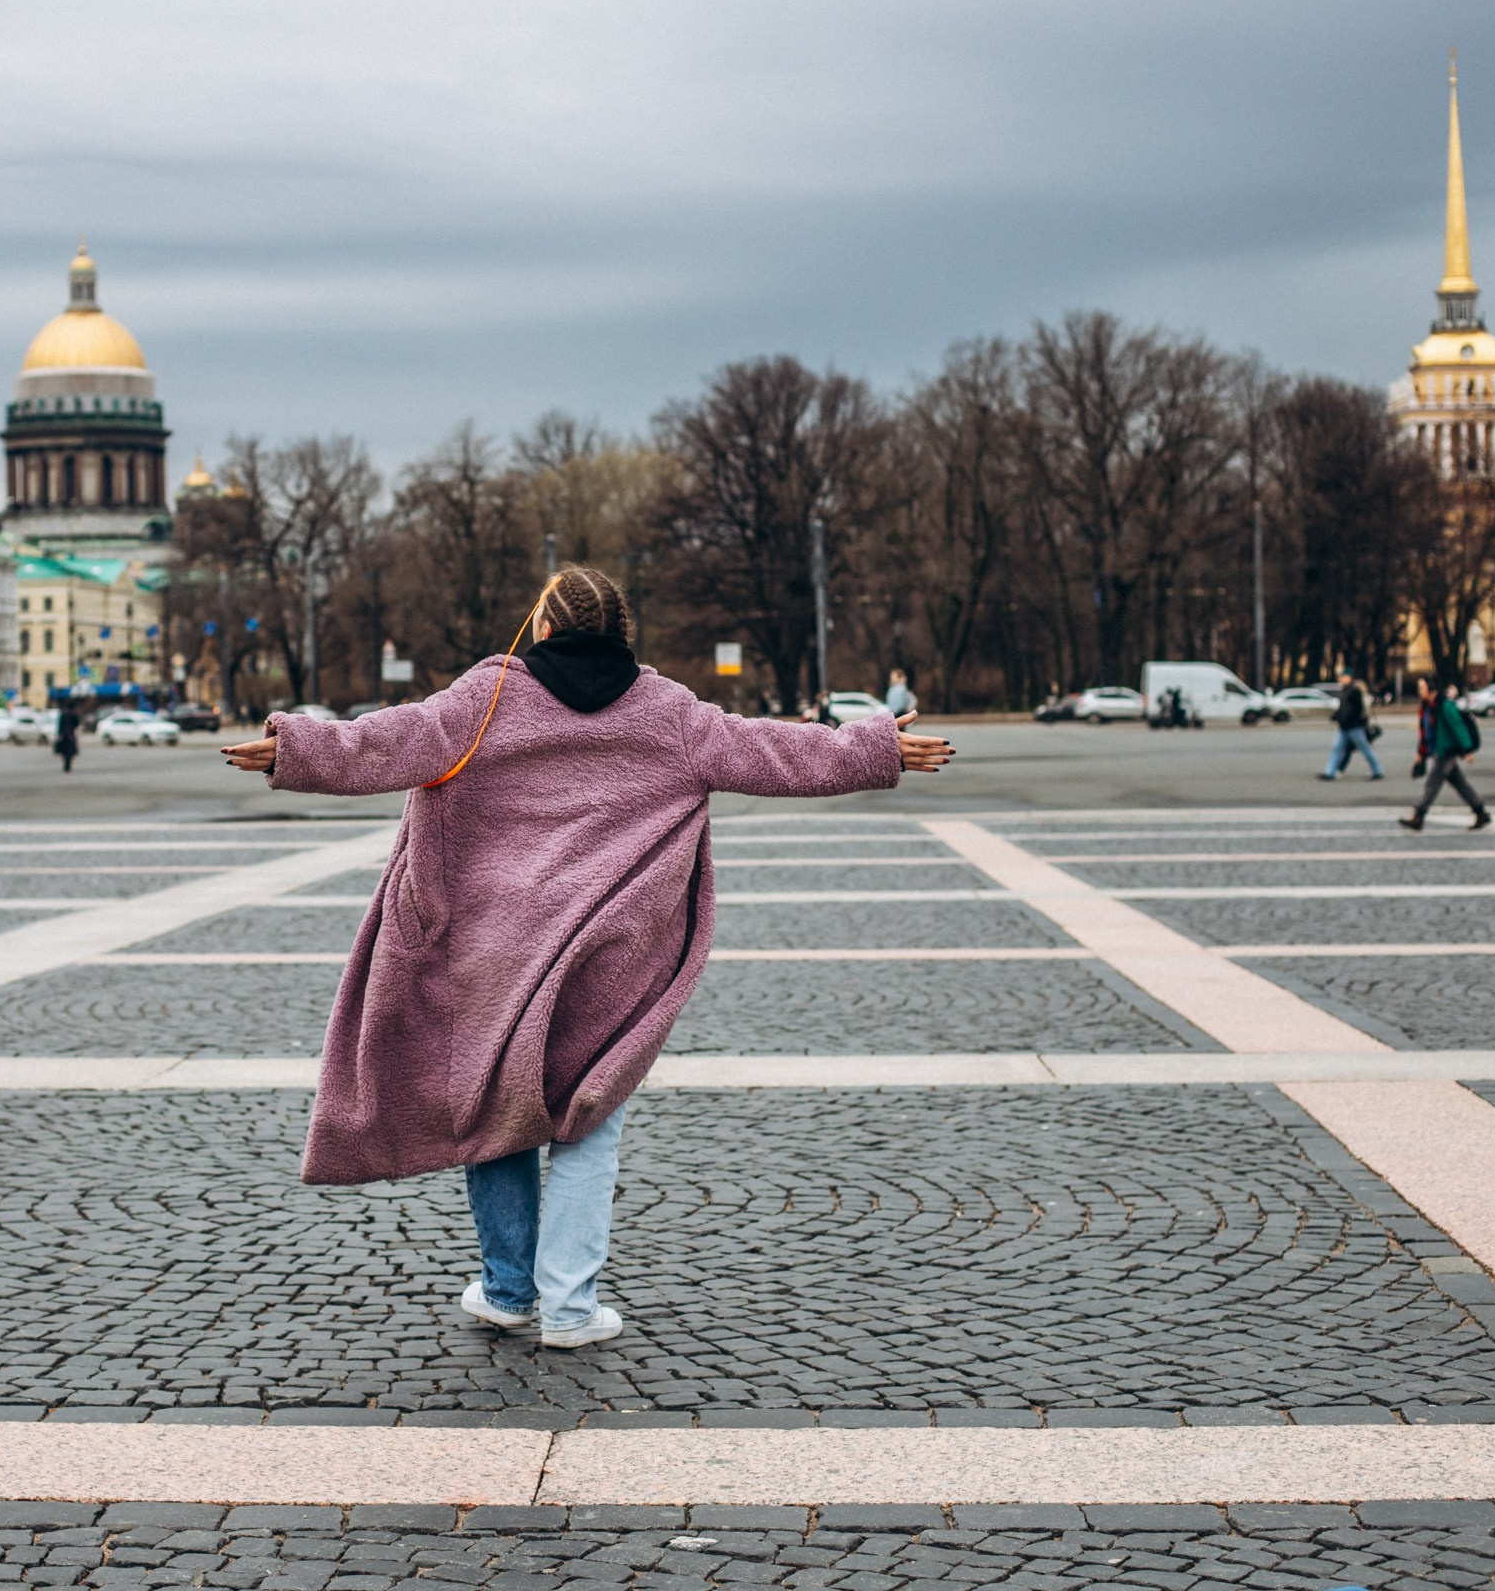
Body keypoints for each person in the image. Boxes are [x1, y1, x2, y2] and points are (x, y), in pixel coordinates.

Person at [223, 566, 955, 1349]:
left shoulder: (486, 697)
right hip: (611, 952)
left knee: (495, 1113)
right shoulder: (667, 710)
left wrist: (289, 750)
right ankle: (570, 1308)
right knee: (587, 1120)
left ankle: (508, 1291)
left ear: (542, 628)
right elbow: (773, 752)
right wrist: (880, 750)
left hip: (492, 949)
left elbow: (388, 740)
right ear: (619, 631)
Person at [1399, 675, 1490, 831]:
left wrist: (1468, 749)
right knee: (1460, 784)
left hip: (1446, 751)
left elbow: (1457, 726)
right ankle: (1480, 812)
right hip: (1437, 750)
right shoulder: (1427, 706)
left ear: (1431, 688)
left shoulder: (1444, 705)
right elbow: (1425, 731)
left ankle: (1418, 816)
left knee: (1431, 785)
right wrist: (1420, 752)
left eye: (1422, 687)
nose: (1419, 691)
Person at [1320, 670, 1382, 781]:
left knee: (1365, 749)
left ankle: (1377, 770)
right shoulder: (1346, 690)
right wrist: (1336, 717)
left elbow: (1355, 710)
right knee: (1337, 749)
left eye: (1342, 677)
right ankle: (1329, 772)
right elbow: (1343, 709)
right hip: (1346, 726)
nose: (1340, 679)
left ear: (1348, 677)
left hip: (1354, 727)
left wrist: (1342, 718)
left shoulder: (1354, 691)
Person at [53, 706, 80, 773]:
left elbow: (60, 725)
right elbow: (77, 723)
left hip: (64, 735)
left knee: (64, 752)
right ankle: (68, 765)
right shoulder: (73, 714)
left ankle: (66, 765)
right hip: (71, 734)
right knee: (71, 751)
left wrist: (59, 734)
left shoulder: (63, 714)